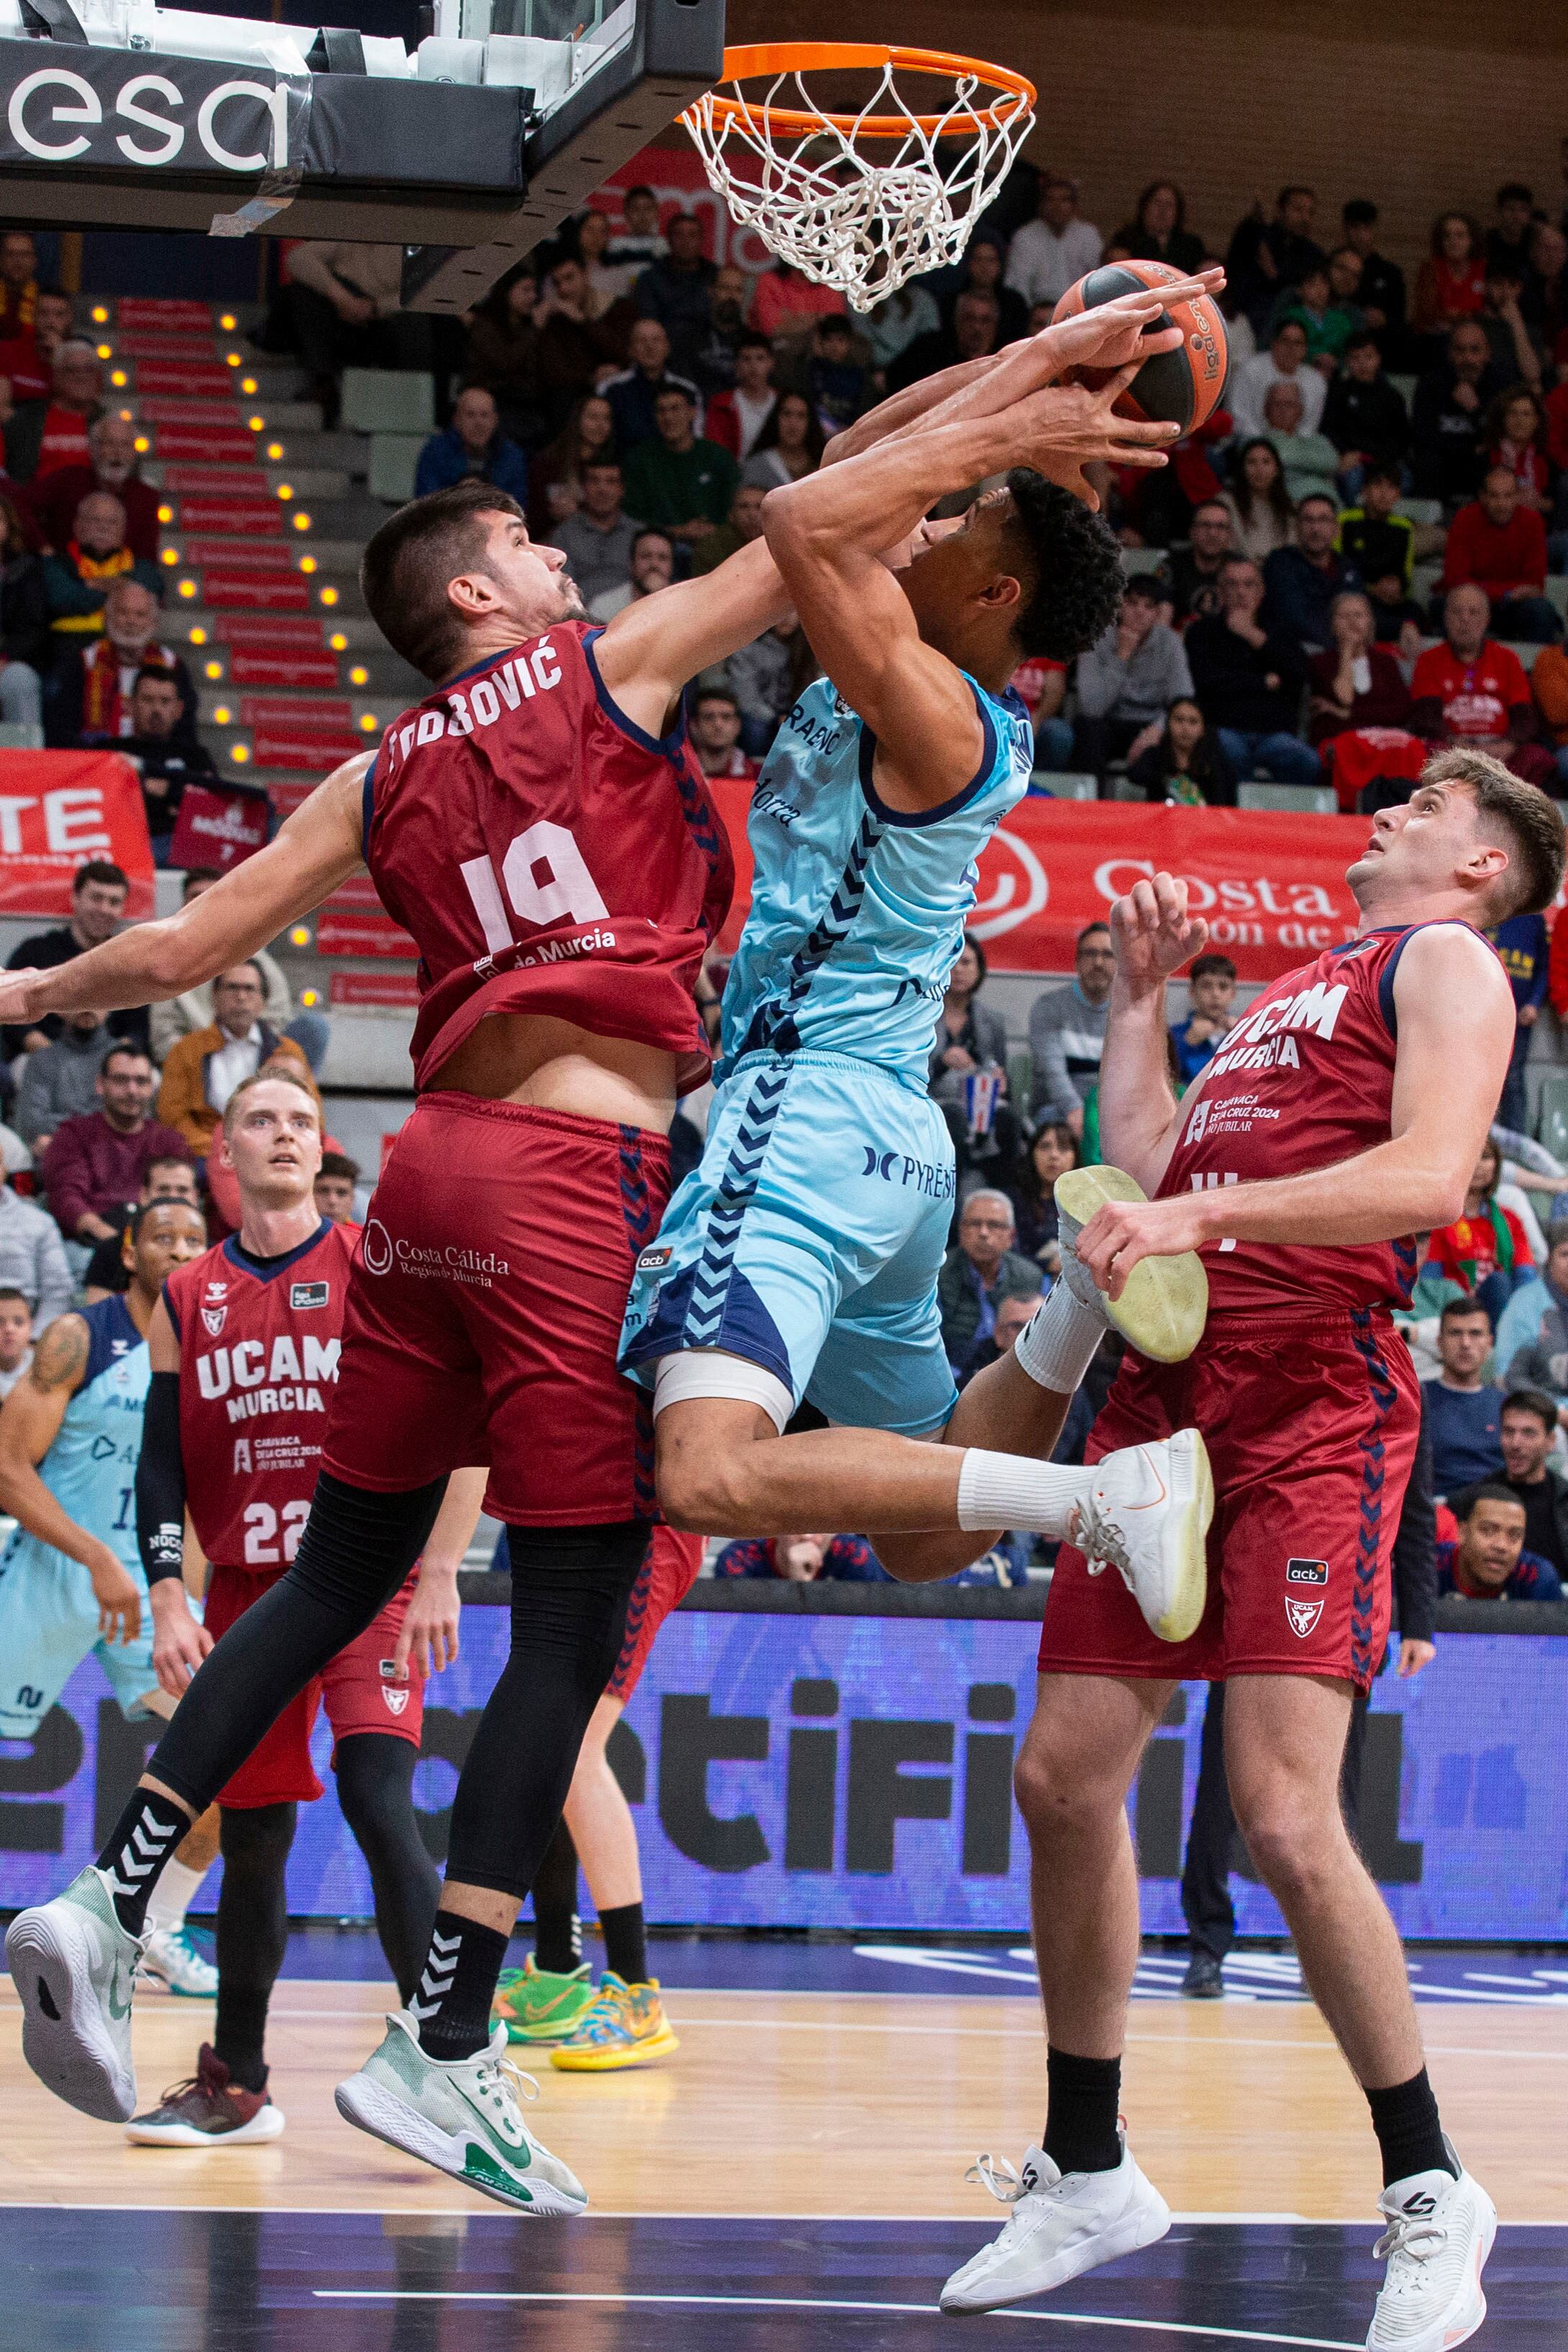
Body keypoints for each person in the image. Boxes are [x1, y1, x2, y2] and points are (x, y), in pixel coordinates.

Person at [1, 293, 1216, 2209]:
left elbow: (172, 950)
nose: (566, 559)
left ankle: (102, 1891)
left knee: (334, 1574)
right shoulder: (604, 666)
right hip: (587, 1169)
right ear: (489, 596)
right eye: (533, 549)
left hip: (423, 1178)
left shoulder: (382, 766)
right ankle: (449, 2034)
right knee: (579, 1607)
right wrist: (1033, 389)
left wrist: (24, 986)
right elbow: (814, 515)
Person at [944, 747, 1561, 2335]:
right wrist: (1140, 1007)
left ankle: (1431, 2188)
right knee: (1060, 1778)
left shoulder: (1445, 963)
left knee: (1283, 1815)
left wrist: (1203, 1222)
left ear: (1482, 866)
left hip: (1307, 1409)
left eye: (1424, 807)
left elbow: (1426, 1177)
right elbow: (1149, 1176)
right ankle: (1089, 2172)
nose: (1388, 814)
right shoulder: (1302, 989)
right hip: (1164, 1401)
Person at [619, 286, 1226, 1664]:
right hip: (893, 1150)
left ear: (996, 594)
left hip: (803, 1121)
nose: (931, 522)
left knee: (707, 1471)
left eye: (960, 529)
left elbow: (800, 516)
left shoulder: (938, 709)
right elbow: (843, 485)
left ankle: (1098, 1499)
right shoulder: (912, 659)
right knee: (928, 1530)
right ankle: (1079, 1299)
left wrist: (1015, 414)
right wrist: (1028, 368)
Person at [120, 1072, 466, 2146]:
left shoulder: (373, 1262)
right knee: (256, 1836)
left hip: (367, 1573)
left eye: (300, 1121)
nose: (282, 1135)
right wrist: (170, 1589)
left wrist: (445, 1566)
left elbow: (461, 1416)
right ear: (225, 1151)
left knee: (377, 1794)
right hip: (246, 1590)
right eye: (260, 1120)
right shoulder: (189, 1294)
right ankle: (240, 2084)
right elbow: (161, 1463)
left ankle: (448, 2071)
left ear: (323, 1149)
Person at [0, 1198, 219, 1994]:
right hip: (51, 1575)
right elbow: (8, 1467)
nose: (180, 1250)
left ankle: (152, 1933)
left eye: (195, 1240)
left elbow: (198, 1493)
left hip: (149, 1589)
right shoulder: (77, 1337)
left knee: (218, 1760)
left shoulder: (207, 1349)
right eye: (164, 1238)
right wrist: (95, 1555)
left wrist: (188, 1592)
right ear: (130, 1252)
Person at [1179, 1403, 1439, 1999]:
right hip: (1257, 1604)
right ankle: (1206, 1946)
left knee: (1336, 1796)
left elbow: (1413, 1518)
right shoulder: (1279, 1376)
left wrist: (1419, 1623)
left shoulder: (1398, 1395)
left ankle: (1324, 1950)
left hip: (1348, 1616)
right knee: (1222, 1791)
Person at [491, 1520, 707, 2065]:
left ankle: (637, 1994)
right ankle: (558, 1974)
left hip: (639, 1531)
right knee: (547, 1741)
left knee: (580, 1746)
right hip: (571, 1532)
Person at [150, 870, 322, 1072]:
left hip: (258, 1057)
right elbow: (163, 1036)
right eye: (196, 897)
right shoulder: (167, 964)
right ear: (183, 904)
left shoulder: (258, 960)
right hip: (197, 1065)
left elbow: (279, 1018)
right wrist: (213, 1057)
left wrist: (246, 1051)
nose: (204, 905)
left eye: (213, 896)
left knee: (314, 1027)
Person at [156, 963, 313, 1160]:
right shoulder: (186, 1050)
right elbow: (172, 1117)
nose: (240, 997)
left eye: (249, 989)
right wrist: (218, 1149)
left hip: (272, 1154)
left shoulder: (289, 1052)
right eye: (232, 988)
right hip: (204, 1155)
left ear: (263, 1001)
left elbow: (311, 1116)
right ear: (214, 997)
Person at [1185, 554, 1318, 784]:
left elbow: (1298, 676)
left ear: (1261, 590)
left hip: (1275, 734)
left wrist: (1253, 636)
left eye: (1249, 584)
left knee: (1308, 761)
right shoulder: (1202, 632)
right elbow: (1207, 682)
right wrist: (1264, 682)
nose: (1241, 592)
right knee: (1230, 754)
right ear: (1220, 591)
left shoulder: (1281, 630)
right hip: (1225, 729)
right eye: (1232, 584)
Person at [39, 1046, 190, 1247]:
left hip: (158, 1242)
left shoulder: (170, 1141)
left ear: (152, 1088)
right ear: (100, 1085)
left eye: (141, 1081)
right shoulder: (73, 1135)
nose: (132, 1091)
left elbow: (181, 1200)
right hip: (89, 1243)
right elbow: (67, 1198)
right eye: (121, 1080)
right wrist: (113, 1242)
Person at [3, 860, 147, 1062]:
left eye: (114, 902)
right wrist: (53, 1057)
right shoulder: (35, 952)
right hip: (41, 1060)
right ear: (75, 899)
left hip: (110, 1067)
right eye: (96, 898)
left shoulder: (130, 962)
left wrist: (111, 1062)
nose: (104, 909)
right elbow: (10, 1013)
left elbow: (137, 1029)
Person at [1410, 584, 1551, 787]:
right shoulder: (1429, 660)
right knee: (1425, 750)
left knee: (1537, 756)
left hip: (1501, 750)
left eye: (1474, 612)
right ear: (1445, 617)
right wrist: (1455, 744)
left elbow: (1525, 717)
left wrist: (1508, 745)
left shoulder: (1507, 659)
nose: (1465, 619)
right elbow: (1425, 716)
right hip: (1451, 747)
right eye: (1457, 612)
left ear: (1487, 619)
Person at [50, 575, 194, 752]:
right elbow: (63, 730)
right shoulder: (84, 662)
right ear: (108, 618)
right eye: (123, 612)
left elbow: (185, 732)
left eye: (140, 614)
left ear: (154, 622)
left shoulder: (172, 665)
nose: (131, 621)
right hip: (98, 763)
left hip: (155, 761)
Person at [1071, 576, 1193, 780]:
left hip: (1151, 723)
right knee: (1087, 728)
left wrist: (1158, 729)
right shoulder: (1097, 638)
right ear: (1119, 606)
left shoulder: (1169, 642)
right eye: (1132, 603)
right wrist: (1122, 657)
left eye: (1149, 606)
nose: (1139, 612)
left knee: (1174, 739)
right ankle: (1091, 807)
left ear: (1157, 614)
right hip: (1109, 722)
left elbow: (1183, 702)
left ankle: (1160, 809)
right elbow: (1092, 708)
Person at [24, 411, 160, 564]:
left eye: (125, 445)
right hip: (64, 575)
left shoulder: (146, 498)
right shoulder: (68, 479)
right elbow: (19, 505)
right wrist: (42, 547)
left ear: (134, 453)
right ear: (93, 448)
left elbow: (148, 561)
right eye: (109, 443)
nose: (118, 453)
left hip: (120, 580)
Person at [1440, 466, 1559, 644]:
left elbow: (1534, 584)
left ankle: (1535, 670)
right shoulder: (1464, 519)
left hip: (1514, 607)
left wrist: (1495, 592)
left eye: (1508, 496)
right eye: (1495, 496)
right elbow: (1456, 580)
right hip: (1471, 603)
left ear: (1518, 496)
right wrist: (1506, 593)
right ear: (1483, 497)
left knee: (1541, 610)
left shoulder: (1533, 522)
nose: (1502, 504)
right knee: (1444, 606)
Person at [1460, 1387, 1568, 1575]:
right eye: (1509, 1432)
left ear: (1550, 1441)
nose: (1515, 1443)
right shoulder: (1476, 1497)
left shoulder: (1564, 1497)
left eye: (1529, 1433)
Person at [937, 1191, 1044, 1377]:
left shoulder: (1030, 1276)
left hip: (1013, 1367)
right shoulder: (939, 1273)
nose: (984, 1233)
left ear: (1011, 1236)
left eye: (994, 1225)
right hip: (952, 1369)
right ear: (961, 1231)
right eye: (974, 1224)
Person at [621, 385, 740, 549]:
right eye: (661, 411)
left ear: (693, 412)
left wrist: (714, 529)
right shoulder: (641, 459)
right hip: (658, 545)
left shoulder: (718, 457)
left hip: (714, 543)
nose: (668, 417)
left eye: (675, 409)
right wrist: (676, 531)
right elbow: (632, 516)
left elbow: (733, 508)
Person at [119, 664, 219, 857]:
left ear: (178, 709)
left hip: (177, 847)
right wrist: (176, 794)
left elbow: (210, 805)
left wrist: (150, 787)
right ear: (130, 706)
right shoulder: (109, 750)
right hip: (124, 841)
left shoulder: (196, 756)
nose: (156, 709)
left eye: (165, 702)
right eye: (147, 700)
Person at [1029, 921, 1117, 1127]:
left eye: (1107, 955)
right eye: (1090, 953)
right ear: (1077, 962)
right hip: (1058, 1112)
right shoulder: (1049, 1006)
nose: (1098, 962)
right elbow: (1053, 1072)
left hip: (1108, 1115)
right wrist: (1075, 1111)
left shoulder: (1127, 1014)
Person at [1411, 320, 1508, 507]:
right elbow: (1423, 437)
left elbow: (1501, 437)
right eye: (1461, 351)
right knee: (1428, 462)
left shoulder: (1500, 385)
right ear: (1450, 353)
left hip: (1481, 465)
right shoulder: (1431, 384)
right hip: (1443, 463)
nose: (1468, 359)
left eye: (1475, 350)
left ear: (1487, 353)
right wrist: (1470, 449)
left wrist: (1475, 410)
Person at [41, 491, 160, 642]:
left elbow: (154, 586)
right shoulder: (56, 564)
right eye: (95, 520)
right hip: (70, 646)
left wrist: (93, 585)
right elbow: (64, 601)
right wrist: (120, 586)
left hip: (124, 644)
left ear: (123, 530)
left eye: (112, 522)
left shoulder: (142, 568)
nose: (103, 528)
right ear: (77, 526)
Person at [81, 1154, 201, 1303]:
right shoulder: (110, 1250)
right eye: (163, 1189)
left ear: (195, 1197)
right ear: (144, 1195)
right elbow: (96, 1319)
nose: (172, 1197)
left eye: (182, 1190)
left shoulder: (215, 1254)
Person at [1421, 1295, 1506, 1492]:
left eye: (1475, 1334)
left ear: (1489, 1343)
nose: (1466, 1343)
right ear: (1440, 1343)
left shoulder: (1505, 1405)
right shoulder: (1417, 1400)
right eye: (1455, 1333)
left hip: (1495, 1508)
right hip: (1437, 1510)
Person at [1307, 591, 1413, 749]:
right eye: (1344, 616)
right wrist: (1347, 651)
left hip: (1383, 743)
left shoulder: (1386, 662)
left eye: (1359, 615)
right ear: (1332, 625)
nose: (1352, 622)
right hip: (1340, 744)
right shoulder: (1320, 663)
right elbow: (1344, 700)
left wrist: (1348, 714)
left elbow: (1401, 711)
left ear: (1370, 623)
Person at [1262, 493, 1360, 655]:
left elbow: (1360, 615)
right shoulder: (1281, 562)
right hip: (1297, 652)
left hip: (1344, 651)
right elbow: (1295, 619)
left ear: (1336, 529)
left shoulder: (1348, 567)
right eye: (1308, 520)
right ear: (1297, 527)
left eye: (1323, 520)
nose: (1315, 529)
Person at [462, 265, 544, 450]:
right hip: (493, 402)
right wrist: (534, 331)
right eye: (526, 290)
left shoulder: (526, 328)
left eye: (534, 291)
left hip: (523, 404)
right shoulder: (484, 325)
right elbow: (505, 363)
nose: (532, 297)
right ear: (507, 291)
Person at [1435, 1484, 1564, 1600]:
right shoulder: (1429, 1566)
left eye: (1514, 1535)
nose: (1502, 1546)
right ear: (1462, 1533)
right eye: (1488, 1531)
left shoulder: (1536, 1576)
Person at [1226, 186, 1326, 337]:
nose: (1305, 218)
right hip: (1247, 317)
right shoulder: (1257, 239)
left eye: (1310, 213)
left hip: (1290, 326)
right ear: (1279, 211)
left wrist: (1275, 276)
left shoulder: (1314, 254)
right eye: (1298, 210)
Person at [630, 212, 716, 381]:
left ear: (702, 240)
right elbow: (649, 324)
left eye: (692, 234)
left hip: (710, 355)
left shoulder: (716, 276)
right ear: (668, 239)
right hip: (666, 356)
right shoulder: (650, 279)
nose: (686, 241)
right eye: (679, 234)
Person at [1487, 904, 1550, 1131]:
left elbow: (1544, 968)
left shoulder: (1534, 920)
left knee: (1513, 1080)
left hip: (1520, 1018)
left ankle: (1516, 1145)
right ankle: (1482, 1148)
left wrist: (1534, 1003)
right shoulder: (1488, 913)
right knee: (1482, 1079)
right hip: (1484, 1016)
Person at [5, 339, 102, 484]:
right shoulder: (25, 422)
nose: (81, 377)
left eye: (88, 369)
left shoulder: (109, 425)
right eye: (72, 370)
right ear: (56, 376)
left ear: (98, 377)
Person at [15, 1007, 114, 1149]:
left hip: (111, 1153)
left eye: (97, 999)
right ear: (59, 1009)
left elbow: (132, 1120)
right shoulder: (42, 1060)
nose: (87, 1006)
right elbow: (32, 1124)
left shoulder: (123, 1060)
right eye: (78, 998)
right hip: (59, 1156)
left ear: (113, 1007)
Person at [1321, 333, 1410, 489]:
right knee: (1352, 479)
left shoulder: (1392, 397)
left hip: (1385, 460)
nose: (1363, 363)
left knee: (1404, 479)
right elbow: (1330, 430)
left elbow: (1401, 439)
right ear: (1347, 362)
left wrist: (1372, 456)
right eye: (1356, 358)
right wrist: (1346, 453)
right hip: (1349, 460)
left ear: (1378, 359)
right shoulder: (1338, 393)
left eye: (1368, 357)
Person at [525, 393, 617, 543]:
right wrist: (552, 512)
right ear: (578, 420)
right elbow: (532, 514)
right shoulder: (549, 463)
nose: (600, 425)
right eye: (593, 417)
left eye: (606, 418)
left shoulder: (615, 464)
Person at [1005, 172, 1103, 311]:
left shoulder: (1088, 235)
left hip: (1079, 313)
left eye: (1064, 200)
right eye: (1051, 200)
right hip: (1036, 314)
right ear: (1041, 204)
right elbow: (1018, 285)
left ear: (1074, 205)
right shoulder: (1025, 236)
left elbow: (1098, 279)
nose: (1057, 206)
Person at [601, 318, 702, 452]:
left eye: (656, 340)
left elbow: (697, 437)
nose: (650, 347)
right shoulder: (611, 388)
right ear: (631, 349)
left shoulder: (688, 390)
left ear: (667, 348)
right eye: (642, 341)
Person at [552, 459, 639, 610]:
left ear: (622, 489)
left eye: (611, 482)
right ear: (584, 488)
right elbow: (561, 591)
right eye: (594, 481)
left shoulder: (638, 534)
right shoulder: (565, 534)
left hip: (632, 617)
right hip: (582, 620)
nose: (602, 489)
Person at [1495, 1218, 1568, 1396]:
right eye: (1565, 1254)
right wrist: (1556, 1413)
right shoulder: (1525, 1302)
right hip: (1541, 1412)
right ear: (1549, 1258)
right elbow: (1507, 1376)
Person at [1227, 319, 1328, 442]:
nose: (1291, 348)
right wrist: (1265, 446)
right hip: (1249, 443)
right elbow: (1238, 417)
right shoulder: (1250, 370)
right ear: (1274, 343)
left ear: (1305, 349)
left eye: (1298, 343)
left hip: (1296, 449)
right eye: (1285, 341)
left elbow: (1309, 428)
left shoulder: (1316, 381)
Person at [1125, 697, 1237, 806]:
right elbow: (1135, 776)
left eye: (1193, 722)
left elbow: (1224, 804)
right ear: (1168, 724)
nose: (1185, 728)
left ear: (1202, 730)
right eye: (1179, 720)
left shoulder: (1214, 762)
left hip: (1204, 823)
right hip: (1162, 822)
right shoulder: (1155, 755)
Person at [1334, 465, 1415, 614]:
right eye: (1377, 485)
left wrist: (1398, 587)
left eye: (1391, 487)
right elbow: (1335, 569)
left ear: (1398, 495)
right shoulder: (1345, 521)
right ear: (1364, 491)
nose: (1384, 494)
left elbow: (1406, 575)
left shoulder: (1404, 528)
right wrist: (1372, 589)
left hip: (1390, 601)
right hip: (1352, 597)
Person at [0, 489, 47, 731]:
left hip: (6, 663)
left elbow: (31, 629)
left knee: (20, 679)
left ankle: (27, 764)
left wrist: (4, 658)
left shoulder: (26, 571)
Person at [1259, 380, 1340, 508]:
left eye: (1289, 404)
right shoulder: (1257, 443)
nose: (1283, 410)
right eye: (1277, 404)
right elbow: (1280, 456)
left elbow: (1331, 462)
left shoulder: (1318, 440)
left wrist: (1286, 457)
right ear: (1265, 410)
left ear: (1301, 411)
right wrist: (1313, 463)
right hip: (1288, 509)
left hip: (1331, 508)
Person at [1339, 201, 1407, 354]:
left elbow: (1400, 319)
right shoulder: (1332, 267)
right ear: (1345, 229)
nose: (1361, 235)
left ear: (1374, 230)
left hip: (1380, 343)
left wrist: (1385, 321)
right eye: (1355, 227)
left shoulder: (1391, 273)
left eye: (1367, 228)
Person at [1218, 438, 1296, 565]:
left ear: (1276, 469)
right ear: (1242, 469)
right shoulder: (1226, 504)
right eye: (1251, 462)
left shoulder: (1290, 508)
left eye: (1266, 462)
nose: (1259, 469)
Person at [1413, 214, 1487, 343]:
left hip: (1477, 335)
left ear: (1472, 240)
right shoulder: (1431, 268)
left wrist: (1455, 315)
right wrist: (1467, 315)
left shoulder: (1484, 268)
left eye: (1460, 235)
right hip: (1437, 338)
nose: (1453, 241)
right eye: (1447, 236)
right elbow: (1428, 313)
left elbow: (1488, 312)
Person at [703, 334, 776, 464]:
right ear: (736, 364)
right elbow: (715, 450)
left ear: (771, 363)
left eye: (760, 358)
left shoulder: (784, 402)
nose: (753, 366)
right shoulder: (721, 404)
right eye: (746, 359)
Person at [1168, 952, 1237, 1085]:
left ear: (1233, 993)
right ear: (1192, 991)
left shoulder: (1245, 1033)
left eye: (1223, 987)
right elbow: (1160, 1080)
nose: (1215, 994)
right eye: (1206, 986)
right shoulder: (1174, 1035)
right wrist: (1185, 1044)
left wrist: (1246, 1039)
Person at [1112, 181, 1205, 278]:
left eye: (1169, 205)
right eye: (1157, 203)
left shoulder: (1191, 244)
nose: (1163, 210)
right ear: (1145, 207)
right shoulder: (1126, 239)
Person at [1163, 500, 1234, 627]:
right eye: (1205, 525)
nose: (1213, 534)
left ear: (1230, 535)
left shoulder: (1241, 568)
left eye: (1221, 527)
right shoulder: (1170, 566)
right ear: (1192, 532)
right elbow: (1159, 622)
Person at [712, 1530, 882, 1581]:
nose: (807, 1536)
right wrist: (797, 1588)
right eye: (797, 1525)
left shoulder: (856, 1556)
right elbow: (742, 1639)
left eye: (821, 1525)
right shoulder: (740, 1559)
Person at [742, 391, 826, 492]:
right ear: (776, 419)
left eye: (801, 415)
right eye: (787, 414)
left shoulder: (824, 466)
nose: (793, 424)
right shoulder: (756, 466)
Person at [587, 526, 672, 624]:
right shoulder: (603, 606)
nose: (654, 564)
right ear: (632, 563)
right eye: (646, 556)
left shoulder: (684, 606)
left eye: (663, 558)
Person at [690, 480, 765, 578]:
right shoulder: (711, 547)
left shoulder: (782, 542)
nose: (752, 514)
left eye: (759, 507)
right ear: (731, 515)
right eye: (743, 507)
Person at [685, 686, 755, 781]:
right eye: (708, 717)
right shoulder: (676, 776)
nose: (718, 725)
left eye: (726, 717)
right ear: (694, 726)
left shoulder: (759, 777)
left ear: (737, 726)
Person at [0, 1287, 32, 1399]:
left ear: (31, 1327)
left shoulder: (45, 1370)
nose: (9, 1329)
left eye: (18, 1322)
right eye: (0, 1322)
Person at [314, 1149, 360, 1224]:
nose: (332, 1201)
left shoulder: (364, 1236)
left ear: (352, 1199)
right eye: (323, 1191)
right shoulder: (289, 1235)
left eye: (342, 1193)